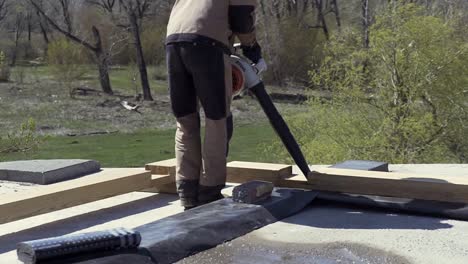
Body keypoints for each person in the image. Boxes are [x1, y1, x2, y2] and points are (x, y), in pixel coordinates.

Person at [165, 0, 264, 210]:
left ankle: (188, 193)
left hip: (173, 43)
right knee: (217, 119)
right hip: (207, 45)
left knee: (185, 120)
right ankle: (209, 191)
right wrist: (252, 48)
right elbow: (242, 18)